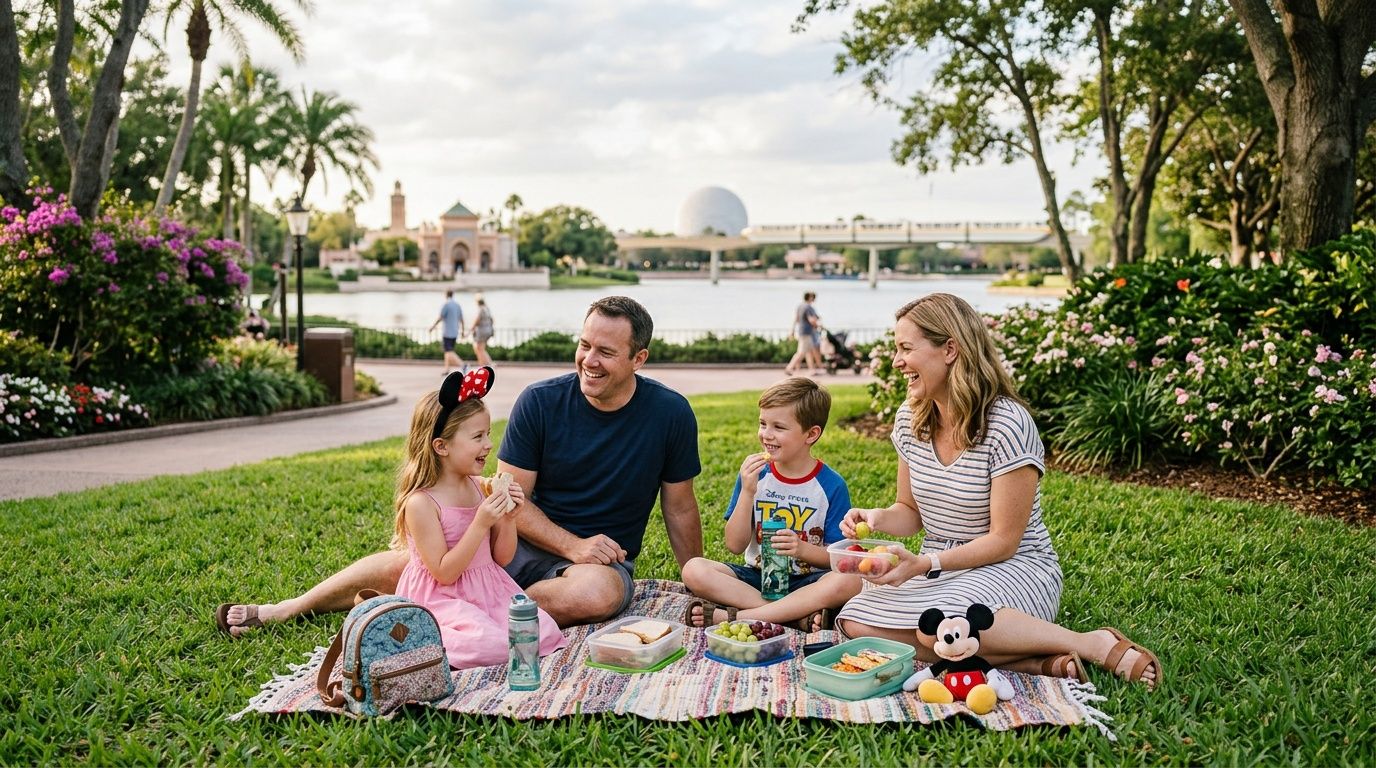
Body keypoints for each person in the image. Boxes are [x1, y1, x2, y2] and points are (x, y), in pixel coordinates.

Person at [215, 296, 704, 636]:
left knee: (596, 594)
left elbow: (679, 509)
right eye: (584, 345)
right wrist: (571, 544)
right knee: (418, 565)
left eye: (606, 351)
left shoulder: (670, 413)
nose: (588, 360)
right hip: (519, 543)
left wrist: (696, 582)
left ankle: (446, 617)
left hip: (597, 566)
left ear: (639, 357)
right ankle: (286, 609)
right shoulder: (541, 402)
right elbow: (510, 498)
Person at [834, 293, 1161, 689]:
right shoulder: (910, 419)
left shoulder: (1007, 423)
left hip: (1017, 566)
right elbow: (909, 510)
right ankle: (1034, 664)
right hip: (942, 569)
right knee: (855, 619)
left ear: (950, 349)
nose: (897, 361)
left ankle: (1089, 642)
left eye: (906, 348)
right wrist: (876, 517)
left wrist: (925, 564)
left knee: (948, 625)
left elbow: (1005, 541)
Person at [392, 367, 565, 667]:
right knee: (493, 646)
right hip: (443, 598)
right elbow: (445, 573)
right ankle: (424, 640)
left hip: (489, 589)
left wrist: (509, 518)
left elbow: (502, 558)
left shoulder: (479, 487)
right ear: (441, 446)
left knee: (541, 632)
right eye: (477, 437)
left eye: (488, 435)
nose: (488, 445)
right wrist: (481, 522)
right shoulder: (421, 504)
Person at [681, 377, 860, 632]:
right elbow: (734, 545)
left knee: (851, 580)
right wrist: (747, 491)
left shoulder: (831, 486)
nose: (766, 434)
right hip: (756, 577)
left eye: (778, 427)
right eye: (763, 423)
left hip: (807, 581)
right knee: (693, 569)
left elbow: (837, 560)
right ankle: (794, 617)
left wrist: (801, 549)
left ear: (811, 434)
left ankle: (737, 617)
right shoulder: (756, 476)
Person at [784, 291, 824, 376]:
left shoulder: (800, 306)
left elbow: (796, 319)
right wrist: (819, 326)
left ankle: (812, 370)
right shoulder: (808, 307)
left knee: (808, 351)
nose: (814, 298)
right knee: (801, 352)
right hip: (807, 332)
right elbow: (811, 320)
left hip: (801, 331)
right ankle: (789, 368)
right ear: (809, 297)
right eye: (813, 297)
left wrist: (792, 330)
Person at [429, 289, 465, 374]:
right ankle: (447, 369)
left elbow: (440, 317)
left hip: (447, 332)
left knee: (449, 351)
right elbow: (462, 319)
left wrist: (433, 327)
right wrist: (462, 331)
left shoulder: (446, 305)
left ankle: (463, 365)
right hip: (455, 331)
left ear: (446, 295)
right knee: (447, 351)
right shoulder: (457, 305)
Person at [470, 295, 495, 367]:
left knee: (479, 348)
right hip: (488, 331)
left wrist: (471, 329)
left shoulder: (481, 309)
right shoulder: (487, 309)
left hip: (481, 332)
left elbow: (476, 321)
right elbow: (492, 320)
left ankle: (487, 364)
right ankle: (485, 364)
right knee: (480, 348)